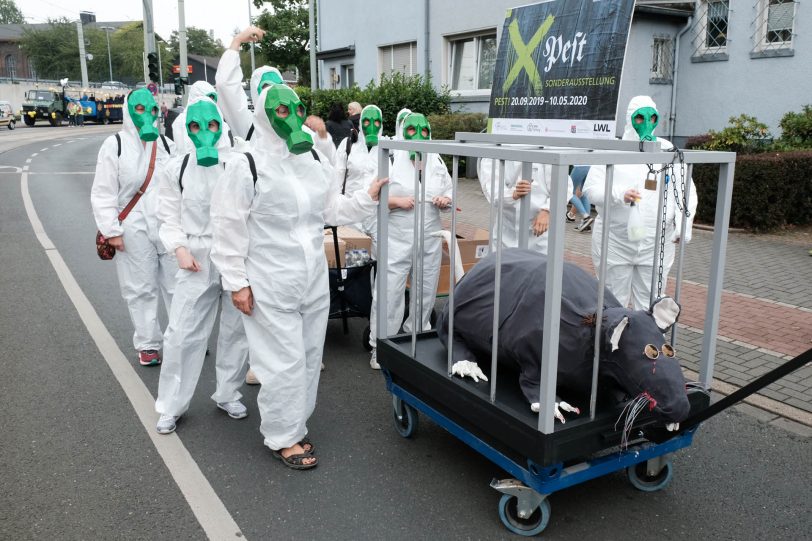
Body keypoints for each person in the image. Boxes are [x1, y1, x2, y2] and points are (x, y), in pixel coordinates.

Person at [210, 82, 386, 469]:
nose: (290, 116)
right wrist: (236, 282)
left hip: (311, 278)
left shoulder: (311, 160)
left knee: (308, 356)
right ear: (264, 114)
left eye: (296, 107)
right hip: (270, 279)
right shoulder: (246, 164)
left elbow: (330, 210)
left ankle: (295, 422)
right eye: (281, 110)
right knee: (281, 362)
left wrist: (366, 197)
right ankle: (282, 435)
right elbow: (227, 227)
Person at [154, 97, 250, 434]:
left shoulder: (239, 163)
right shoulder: (176, 168)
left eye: (212, 125)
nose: (205, 131)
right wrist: (178, 249)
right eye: (196, 126)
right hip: (195, 255)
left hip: (235, 253)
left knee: (237, 328)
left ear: (221, 126)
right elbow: (167, 215)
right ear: (187, 128)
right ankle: (171, 404)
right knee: (182, 331)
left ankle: (228, 392)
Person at [583, 95, 697, 311]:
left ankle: (647, 343)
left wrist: (684, 225)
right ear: (629, 119)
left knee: (651, 300)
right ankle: (614, 344)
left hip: (656, 242)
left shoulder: (667, 150)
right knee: (613, 300)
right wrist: (619, 194)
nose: (645, 123)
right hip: (615, 239)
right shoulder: (613, 150)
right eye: (639, 118)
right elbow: (591, 190)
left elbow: (686, 191)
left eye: (651, 117)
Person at [90, 88, 177, 366]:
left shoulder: (165, 144)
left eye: (152, 110)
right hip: (132, 227)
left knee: (177, 285)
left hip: (165, 224)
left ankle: (182, 336)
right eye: (140, 109)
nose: (147, 115)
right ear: (129, 110)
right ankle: (149, 343)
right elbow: (103, 191)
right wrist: (111, 231)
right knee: (140, 288)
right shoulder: (114, 145)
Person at [368, 112, 452, 369]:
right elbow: (371, 196)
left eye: (424, 130)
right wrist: (394, 201)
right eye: (413, 130)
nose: (419, 135)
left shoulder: (435, 158)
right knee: (389, 291)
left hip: (429, 236)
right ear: (404, 130)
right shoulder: (390, 157)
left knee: (426, 291)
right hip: (397, 237)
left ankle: (416, 337)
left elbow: (449, 192)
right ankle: (380, 344)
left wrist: (445, 201)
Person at [216, 26, 336, 163]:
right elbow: (226, 86)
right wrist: (237, 41)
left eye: (278, 85)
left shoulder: (301, 129)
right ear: (257, 95)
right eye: (266, 87)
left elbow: (330, 164)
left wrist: (322, 135)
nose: (273, 92)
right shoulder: (249, 125)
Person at [477, 157, 572, 255]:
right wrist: (513, 194)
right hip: (507, 230)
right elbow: (492, 190)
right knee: (503, 267)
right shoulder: (493, 154)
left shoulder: (546, 150)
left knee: (540, 267)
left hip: (540, 234)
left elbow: (563, 186)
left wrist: (547, 211)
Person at [334, 104, 384, 254]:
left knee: (379, 263)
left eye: (376, 122)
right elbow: (337, 178)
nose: (371, 126)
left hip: (377, 215)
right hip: (352, 213)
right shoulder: (348, 145)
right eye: (367, 121)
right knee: (354, 262)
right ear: (361, 123)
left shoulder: (389, 149)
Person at [171, 81, 230, 154]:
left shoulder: (219, 118)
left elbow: (225, 149)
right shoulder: (181, 121)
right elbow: (182, 150)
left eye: (212, 99)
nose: (209, 102)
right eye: (196, 126)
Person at [568, 166, 594, 232]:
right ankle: (586, 225)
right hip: (590, 167)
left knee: (568, 191)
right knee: (583, 193)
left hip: (579, 166)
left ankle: (585, 216)